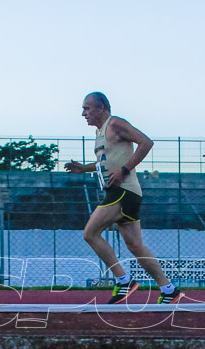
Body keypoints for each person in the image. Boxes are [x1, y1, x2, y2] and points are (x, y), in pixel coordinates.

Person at [64, 92, 184, 304]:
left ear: (101, 108)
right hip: (123, 192)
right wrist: (84, 168)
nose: (83, 113)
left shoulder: (115, 124)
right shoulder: (100, 133)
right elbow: (107, 162)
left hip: (123, 191)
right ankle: (169, 289)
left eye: (87, 108)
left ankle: (123, 279)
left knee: (90, 233)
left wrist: (125, 170)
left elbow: (146, 143)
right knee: (136, 246)